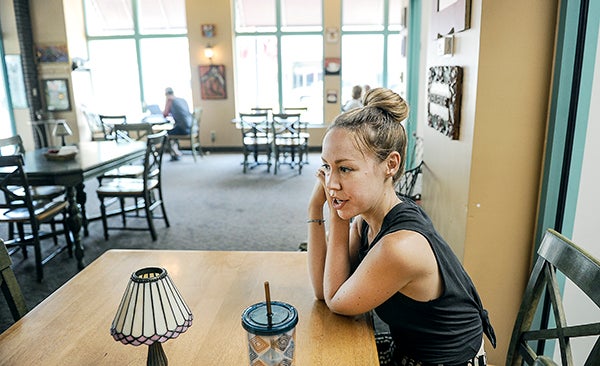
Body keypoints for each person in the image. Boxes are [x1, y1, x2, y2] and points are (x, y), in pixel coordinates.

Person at [307, 88, 495, 365]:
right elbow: (324, 290)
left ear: (390, 164)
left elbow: (335, 300)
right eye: (326, 167)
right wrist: (315, 208)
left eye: (345, 169)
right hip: (408, 348)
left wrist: (336, 216)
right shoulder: (367, 222)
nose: (331, 183)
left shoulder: (399, 247)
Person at [163, 87, 192, 160]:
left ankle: (175, 153)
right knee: (173, 130)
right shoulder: (182, 100)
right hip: (190, 128)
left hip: (183, 129)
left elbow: (165, 114)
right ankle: (176, 151)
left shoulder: (170, 100)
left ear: (166, 94)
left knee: (166, 134)